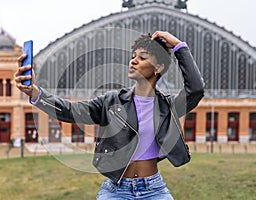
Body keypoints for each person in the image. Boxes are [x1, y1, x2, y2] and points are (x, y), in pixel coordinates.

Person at [15, 31, 204, 199]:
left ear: (159, 67)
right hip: (116, 191)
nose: (133, 61)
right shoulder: (111, 102)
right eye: (133, 56)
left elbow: (195, 90)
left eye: (142, 57)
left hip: (154, 190)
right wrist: (34, 92)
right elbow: (70, 111)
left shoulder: (168, 106)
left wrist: (179, 46)